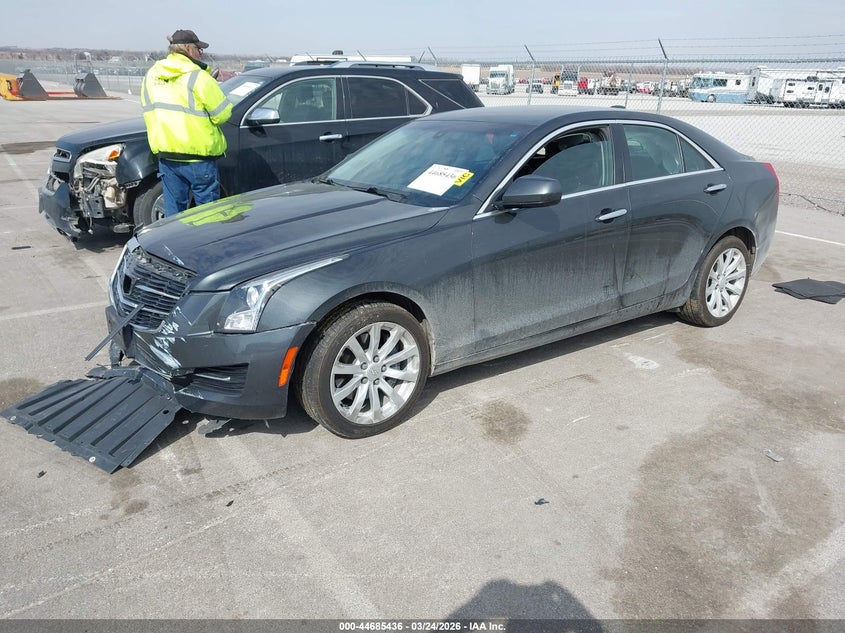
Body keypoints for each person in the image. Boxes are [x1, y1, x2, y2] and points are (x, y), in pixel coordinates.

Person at [141, 29, 233, 217]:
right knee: (208, 213)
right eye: (199, 50)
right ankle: (205, 245)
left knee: (174, 213)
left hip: (167, 155)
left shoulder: (152, 75)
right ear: (188, 49)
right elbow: (222, 114)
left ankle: (177, 245)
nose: (201, 54)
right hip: (198, 156)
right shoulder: (198, 77)